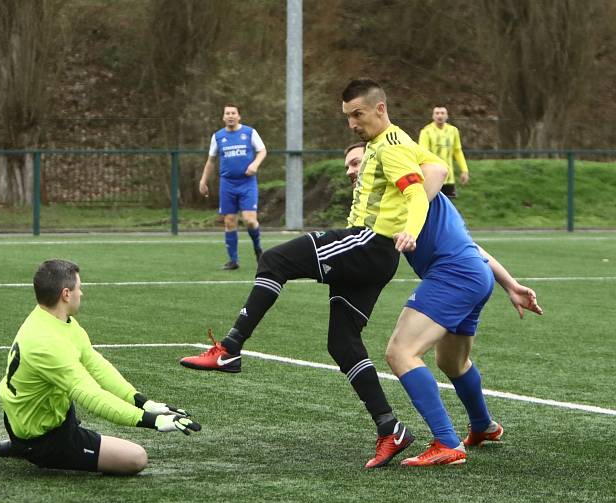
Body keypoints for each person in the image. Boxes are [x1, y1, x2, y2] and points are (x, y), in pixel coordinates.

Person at [181, 79, 432, 468]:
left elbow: (415, 191)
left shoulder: (391, 147)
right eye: (347, 116)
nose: (351, 123)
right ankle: (390, 429)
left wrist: (410, 230)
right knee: (343, 343)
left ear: (380, 109)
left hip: (369, 243)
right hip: (377, 257)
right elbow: (434, 164)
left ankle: (229, 350)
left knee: (274, 261)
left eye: (358, 114)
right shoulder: (398, 141)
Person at [344, 144, 543, 466]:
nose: (352, 171)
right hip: (474, 274)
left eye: (357, 163)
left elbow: (437, 170)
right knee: (452, 362)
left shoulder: (411, 188)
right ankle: (483, 426)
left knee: (400, 352)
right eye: (348, 168)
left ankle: (447, 443)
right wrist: (510, 284)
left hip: (453, 275)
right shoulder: (390, 202)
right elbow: (471, 245)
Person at [0, 259, 200, 475]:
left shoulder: (54, 319)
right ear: (66, 294)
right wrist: (154, 421)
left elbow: (95, 363)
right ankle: (25, 447)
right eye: (79, 288)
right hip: (42, 436)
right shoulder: (46, 344)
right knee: (136, 458)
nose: (81, 294)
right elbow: (93, 397)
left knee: (68, 409)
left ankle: (21, 442)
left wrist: (144, 403)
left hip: (26, 413)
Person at [199, 104, 267, 270]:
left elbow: (263, 151)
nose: (230, 116)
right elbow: (211, 160)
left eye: (233, 113)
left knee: (250, 220)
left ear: (239, 116)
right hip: (227, 184)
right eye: (227, 113)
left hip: (247, 183)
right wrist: (203, 181)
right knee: (229, 221)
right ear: (223, 117)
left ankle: (258, 250)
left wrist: (255, 164)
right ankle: (233, 260)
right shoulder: (218, 137)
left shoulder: (249, 132)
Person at [418, 106, 469, 198]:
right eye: (437, 113)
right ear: (433, 116)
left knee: (448, 207)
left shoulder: (453, 131)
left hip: (449, 178)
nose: (440, 116)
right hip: (433, 177)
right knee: (430, 206)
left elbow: (457, 151)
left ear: (447, 116)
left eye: (442, 113)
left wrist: (464, 170)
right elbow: (422, 153)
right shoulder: (426, 131)